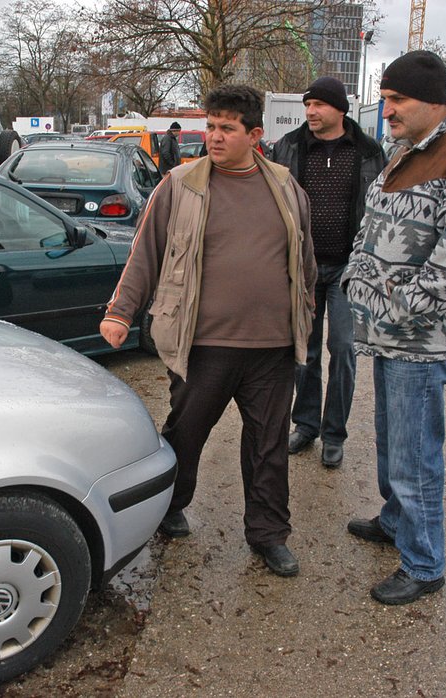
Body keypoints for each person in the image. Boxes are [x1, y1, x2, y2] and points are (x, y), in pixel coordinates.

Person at [100, 85, 316, 577]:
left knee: (269, 446)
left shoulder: (285, 186)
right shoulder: (181, 184)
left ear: (255, 135)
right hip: (204, 345)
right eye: (210, 127)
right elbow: (145, 254)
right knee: (186, 434)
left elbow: (303, 262)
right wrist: (120, 311)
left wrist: (307, 310)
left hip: (273, 348)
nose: (214, 138)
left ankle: (268, 535)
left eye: (226, 129)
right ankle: (169, 506)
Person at [341, 50, 446, 605]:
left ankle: (424, 563)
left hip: (421, 336)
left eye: (396, 100)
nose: (385, 109)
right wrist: (357, 278)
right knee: (392, 441)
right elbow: (376, 229)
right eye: (385, 98)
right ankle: (396, 522)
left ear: (432, 102)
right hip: (389, 332)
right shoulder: (405, 149)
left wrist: (394, 304)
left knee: (415, 454)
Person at [271, 76, 386, 469]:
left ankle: (334, 433)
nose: (310, 112)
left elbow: (382, 209)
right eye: (307, 105)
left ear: (340, 109)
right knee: (305, 350)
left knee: (344, 349)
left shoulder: (369, 152)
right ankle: (305, 425)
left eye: (318, 105)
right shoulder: (289, 146)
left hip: (348, 269)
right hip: (303, 266)